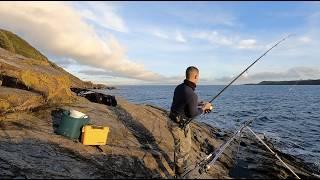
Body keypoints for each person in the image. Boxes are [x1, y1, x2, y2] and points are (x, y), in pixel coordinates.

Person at [169, 66, 213, 178]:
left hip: (172, 120)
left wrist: (199, 103)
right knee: (183, 150)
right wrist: (204, 108)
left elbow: (184, 103)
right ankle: (179, 173)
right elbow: (193, 114)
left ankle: (179, 166)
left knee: (184, 146)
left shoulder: (179, 87)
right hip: (179, 125)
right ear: (195, 76)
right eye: (198, 77)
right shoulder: (191, 93)